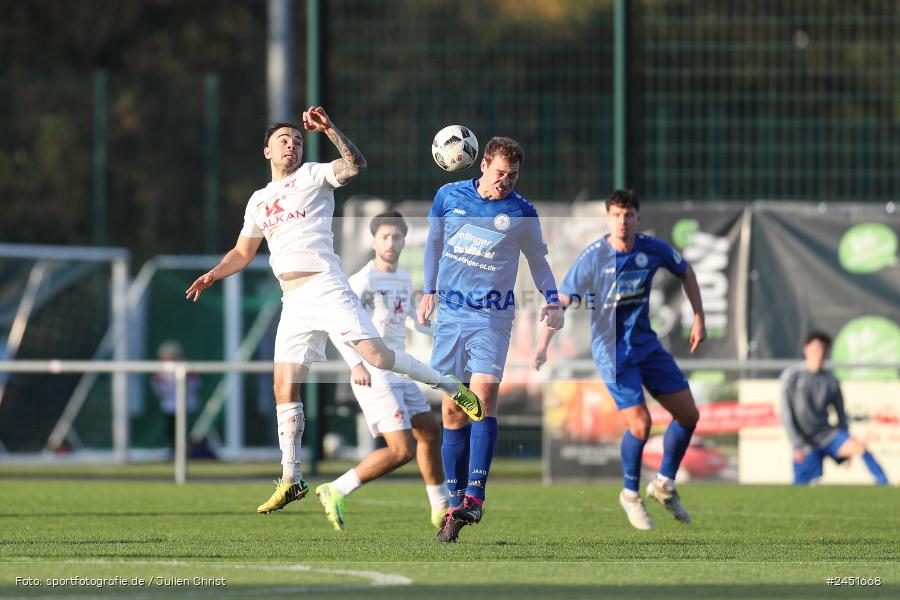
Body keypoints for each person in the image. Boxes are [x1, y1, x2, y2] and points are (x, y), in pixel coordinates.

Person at [185, 107, 483, 515]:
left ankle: (449, 385)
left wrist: (329, 130)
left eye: (297, 140)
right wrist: (214, 275)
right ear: (267, 151)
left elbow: (355, 165)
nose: (292, 145)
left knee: (377, 356)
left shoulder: (312, 174)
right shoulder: (258, 201)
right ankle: (292, 479)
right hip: (293, 301)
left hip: (326, 285)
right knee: (283, 386)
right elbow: (242, 252)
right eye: (284, 140)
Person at [417, 137, 565, 543]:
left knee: (479, 402)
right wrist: (428, 290)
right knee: (451, 413)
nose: (506, 182)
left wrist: (553, 301)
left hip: (491, 318)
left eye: (513, 176)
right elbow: (433, 244)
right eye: (500, 173)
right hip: (450, 317)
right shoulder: (449, 196)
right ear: (483, 165)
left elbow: (538, 262)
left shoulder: (521, 211)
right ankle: (454, 504)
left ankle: (475, 495)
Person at [532, 189, 706, 531]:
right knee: (640, 425)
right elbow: (562, 299)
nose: (621, 222)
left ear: (638, 219)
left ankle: (664, 485)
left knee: (688, 415)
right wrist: (542, 345)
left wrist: (699, 317)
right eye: (615, 215)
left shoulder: (651, 249)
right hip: (612, 352)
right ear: (607, 218)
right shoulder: (594, 257)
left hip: (646, 345)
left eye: (628, 216)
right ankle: (630, 493)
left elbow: (686, 271)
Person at [316, 210, 450, 530]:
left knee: (429, 432)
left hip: (399, 369)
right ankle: (336, 488)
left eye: (397, 237)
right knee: (401, 450)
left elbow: (402, 319)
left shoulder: (402, 278)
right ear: (373, 241)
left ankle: (441, 508)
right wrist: (356, 364)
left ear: (404, 240)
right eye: (384, 237)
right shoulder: (362, 280)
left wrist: (430, 327)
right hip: (375, 373)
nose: (391, 242)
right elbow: (338, 326)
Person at [781, 331, 888, 486]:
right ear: (806, 349)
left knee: (859, 448)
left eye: (824, 349)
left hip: (827, 436)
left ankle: (883, 483)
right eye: (816, 349)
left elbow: (841, 415)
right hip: (805, 441)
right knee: (804, 484)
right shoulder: (792, 376)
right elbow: (786, 414)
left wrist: (844, 438)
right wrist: (797, 444)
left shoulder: (831, 380)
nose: (820, 353)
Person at [151, 340, 200, 453]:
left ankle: (188, 451)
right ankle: (175, 451)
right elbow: (158, 388)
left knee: (184, 430)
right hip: (169, 406)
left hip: (185, 405)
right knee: (171, 430)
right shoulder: (160, 369)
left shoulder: (186, 367)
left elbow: (195, 384)